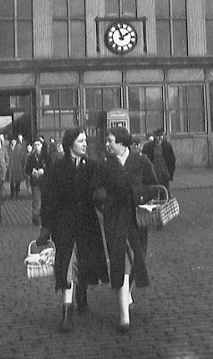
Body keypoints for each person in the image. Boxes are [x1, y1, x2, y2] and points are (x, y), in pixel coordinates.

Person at [37, 127, 109, 333]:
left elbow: (101, 191)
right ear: (70, 144)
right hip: (65, 224)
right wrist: (46, 226)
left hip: (87, 222)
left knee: (84, 260)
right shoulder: (57, 169)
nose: (85, 144)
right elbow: (49, 199)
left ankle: (82, 293)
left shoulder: (92, 167)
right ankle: (66, 311)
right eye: (81, 141)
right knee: (66, 264)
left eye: (86, 140)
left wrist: (102, 200)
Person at [93, 126, 158, 333]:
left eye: (110, 140)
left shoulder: (141, 161)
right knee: (120, 262)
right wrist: (104, 202)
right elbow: (96, 189)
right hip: (115, 218)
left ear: (122, 142)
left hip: (137, 219)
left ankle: (128, 293)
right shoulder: (104, 165)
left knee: (138, 259)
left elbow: (154, 187)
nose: (107, 144)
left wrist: (138, 195)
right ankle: (124, 317)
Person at [24, 139, 46, 226]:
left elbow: (51, 168)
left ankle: (45, 218)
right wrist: (31, 171)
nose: (36, 147)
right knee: (36, 201)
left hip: (44, 182)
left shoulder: (46, 156)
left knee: (45, 200)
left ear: (41, 145)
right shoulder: (31, 157)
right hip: (35, 182)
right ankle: (35, 219)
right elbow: (26, 170)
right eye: (35, 145)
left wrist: (44, 170)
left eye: (38, 145)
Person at [9, 134, 29, 199]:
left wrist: (22, 165)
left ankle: (17, 193)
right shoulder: (8, 148)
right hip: (11, 166)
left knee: (17, 180)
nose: (13, 143)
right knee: (11, 181)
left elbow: (22, 156)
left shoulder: (18, 147)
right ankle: (12, 193)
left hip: (17, 165)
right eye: (12, 142)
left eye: (14, 141)